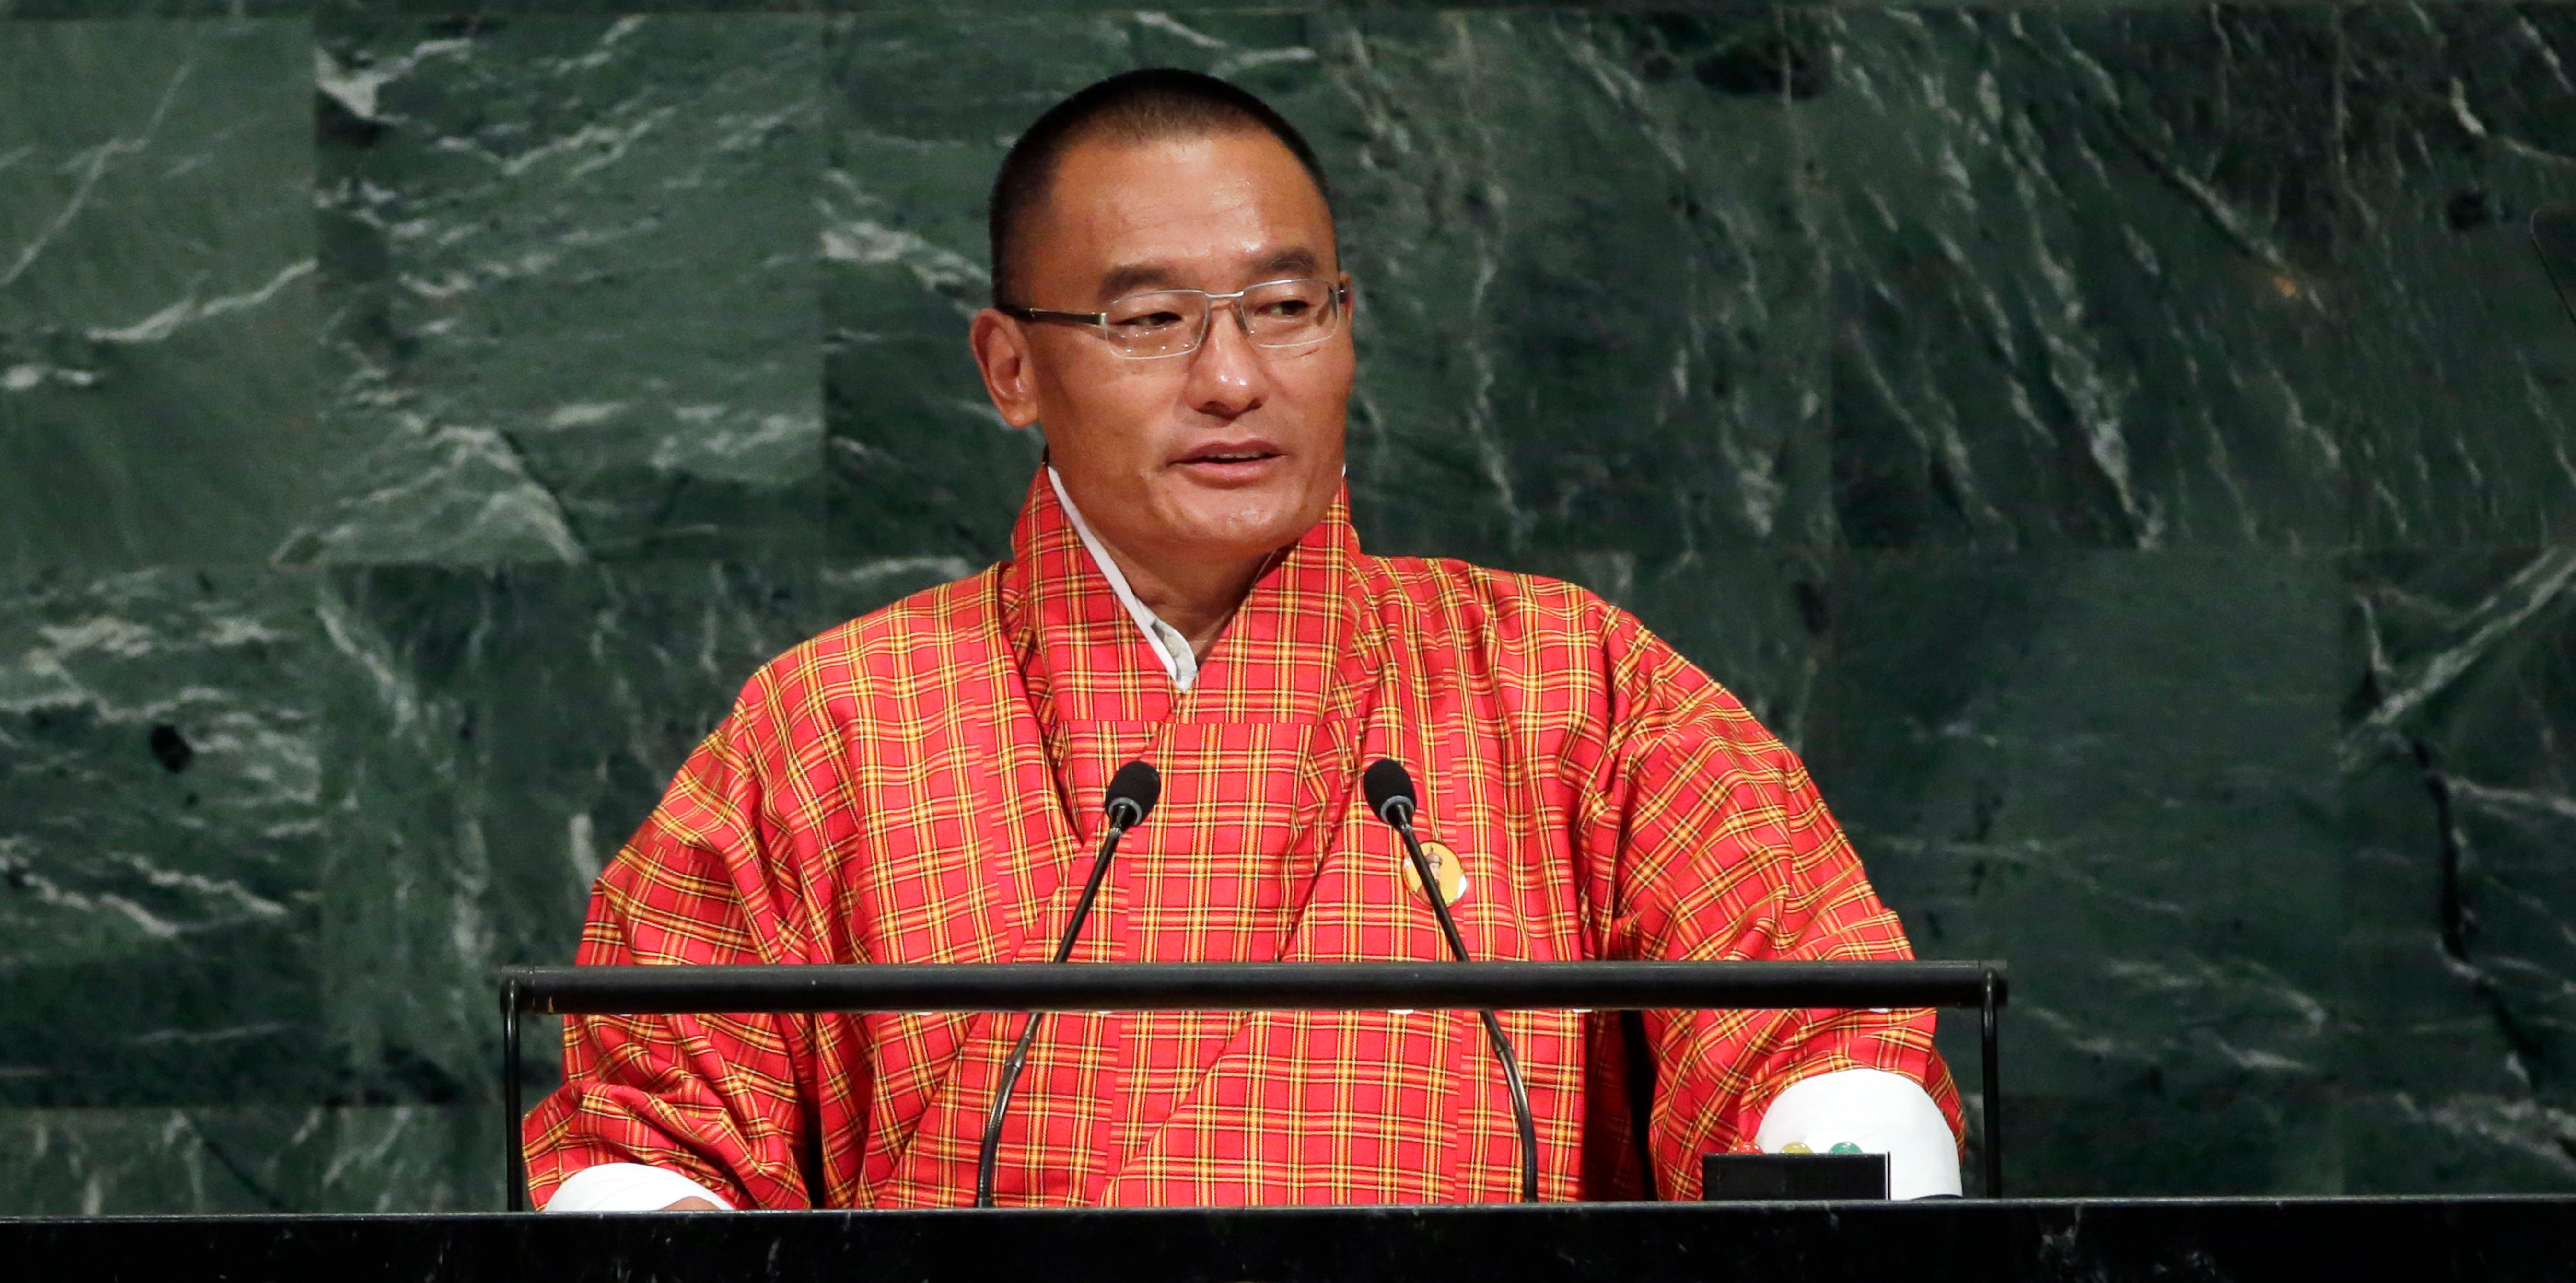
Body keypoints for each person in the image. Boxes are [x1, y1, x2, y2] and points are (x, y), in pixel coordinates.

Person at [523, 68, 1964, 1212]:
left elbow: (1807, 1009)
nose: (1233, 378)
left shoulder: (1569, 683)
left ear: (1348, 326)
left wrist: (1837, 1139)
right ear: (1010, 367)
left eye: (1286, 309)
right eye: (1153, 319)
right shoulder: (831, 725)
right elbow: (653, 1125)